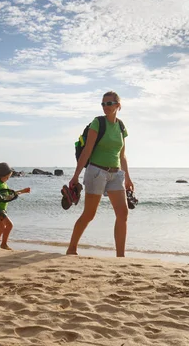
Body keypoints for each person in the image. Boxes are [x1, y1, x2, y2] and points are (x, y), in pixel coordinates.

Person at [67, 91, 134, 257]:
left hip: (116, 174)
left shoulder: (121, 127)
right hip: (96, 172)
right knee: (89, 214)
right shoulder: (97, 123)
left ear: (118, 105)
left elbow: (122, 155)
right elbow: (87, 150)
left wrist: (128, 178)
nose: (105, 107)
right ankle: (72, 248)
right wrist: (75, 176)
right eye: (103, 104)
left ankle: (120, 256)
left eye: (109, 104)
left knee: (123, 213)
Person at [0, 162, 30, 250]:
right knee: (10, 225)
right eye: (7, 177)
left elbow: (11, 195)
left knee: (1, 228)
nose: (8, 179)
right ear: (1, 175)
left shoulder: (4, 184)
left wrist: (23, 191)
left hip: (2, 210)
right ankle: (3, 244)